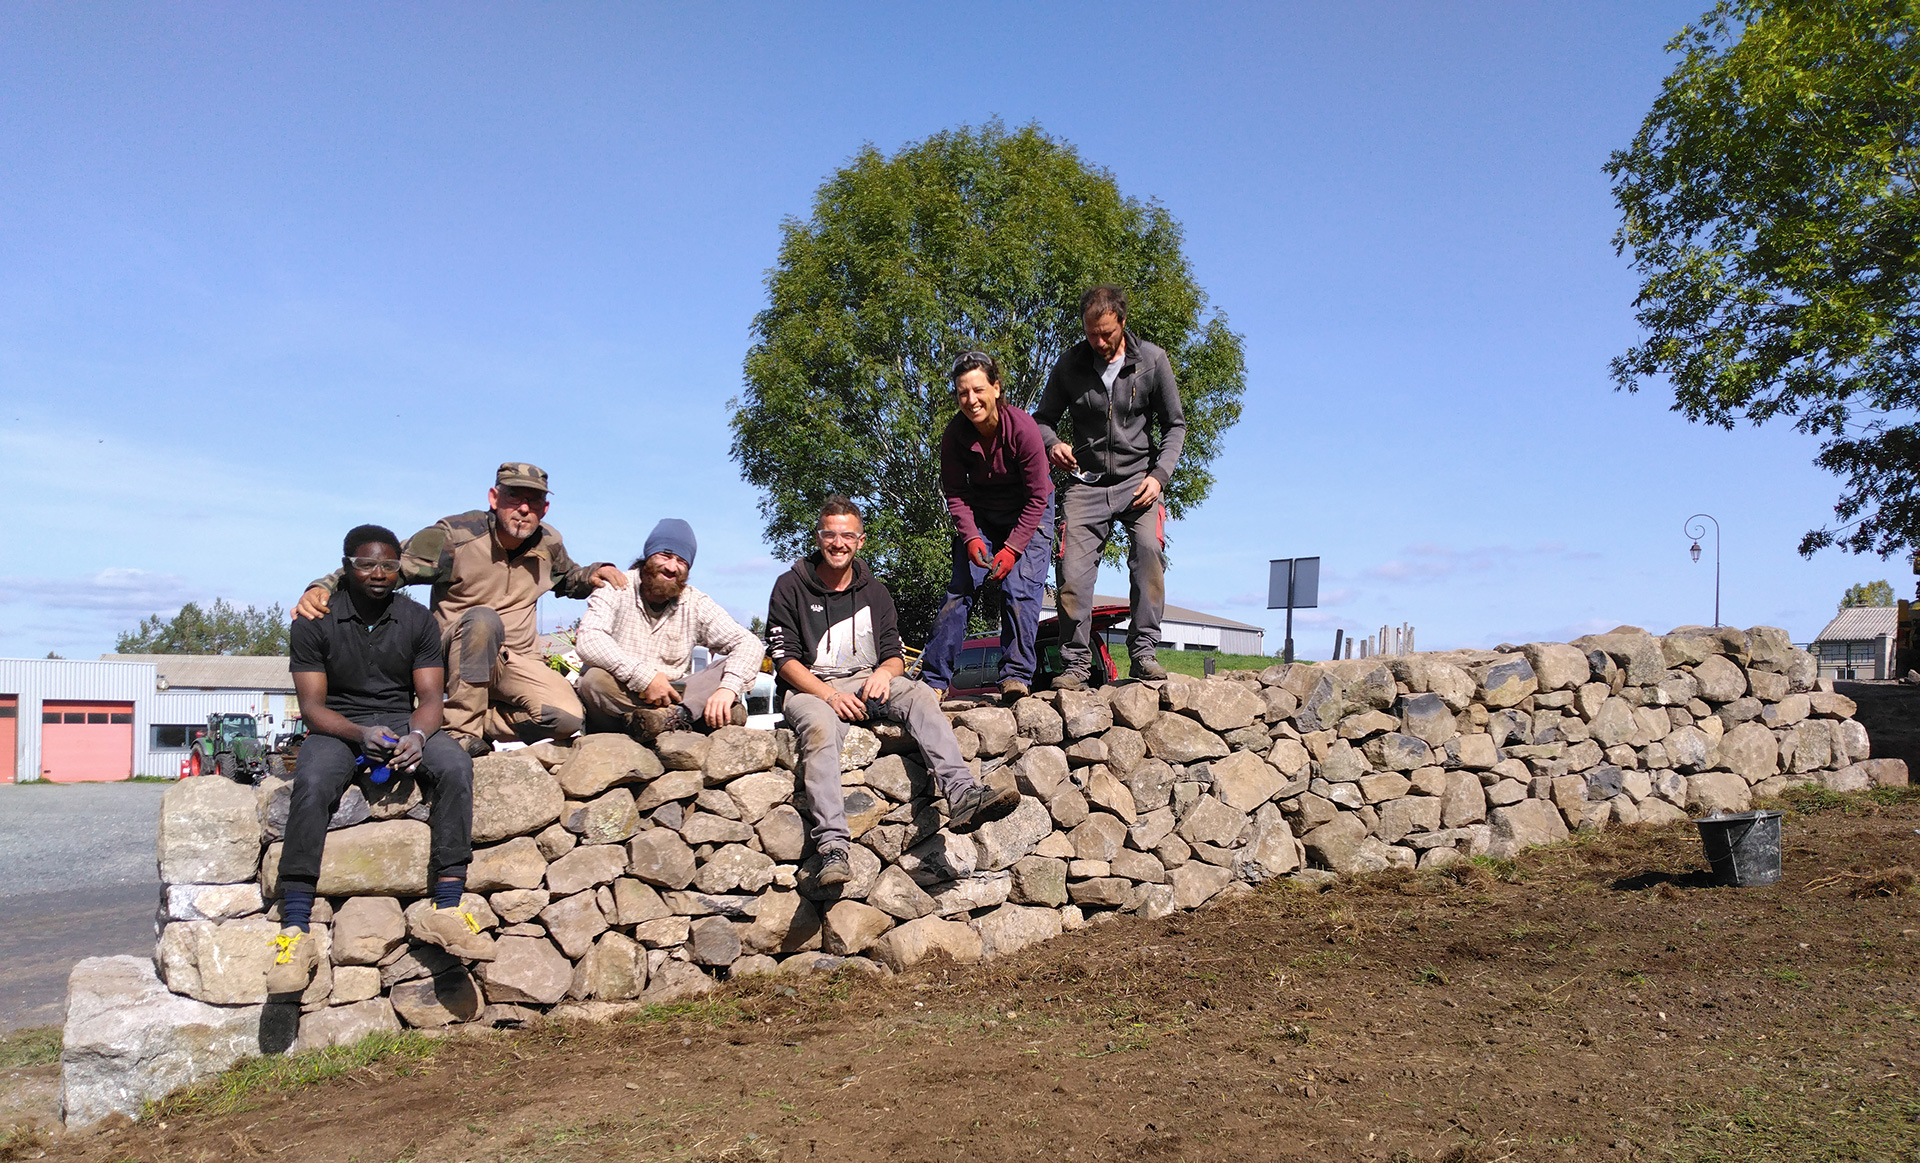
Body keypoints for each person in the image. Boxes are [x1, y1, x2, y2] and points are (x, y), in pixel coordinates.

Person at [269, 525, 487, 995]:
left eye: (389, 565)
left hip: (399, 720)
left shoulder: (416, 619)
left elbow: (430, 697)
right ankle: (294, 928)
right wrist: (360, 734)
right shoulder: (312, 621)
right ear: (346, 566)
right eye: (367, 564)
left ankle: (448, 907)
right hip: (337, 724)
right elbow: (312, 709)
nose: (378, 574)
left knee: (454, 766)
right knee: (313, 781)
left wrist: (417, 733)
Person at [766, 496, 1021, 885]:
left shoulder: (876, 592)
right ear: (818, 538)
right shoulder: (790, 586)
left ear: (861, 541)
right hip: (812, 689)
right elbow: (784, 661)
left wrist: (885, 673)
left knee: (918, 694)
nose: (838, 543)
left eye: (847, 535)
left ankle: (963, 794)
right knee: (819, 729)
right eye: (830, 535)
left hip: (867, 680)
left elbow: (893, 655)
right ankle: (834, 848)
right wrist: (829, 695)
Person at [292, 463, 625, 755]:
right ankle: (460, 735)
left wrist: (593, 573)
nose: (524, 508)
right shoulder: (454, 536)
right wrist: (323, 586)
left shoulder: (548, 543)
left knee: (566, 717)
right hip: (457, 651)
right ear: (494, 498)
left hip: (518, 660)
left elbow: (567, 577)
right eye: (514, 497)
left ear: (546, 507)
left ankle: (478, 719)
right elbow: (385, 565)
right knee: (483, 619)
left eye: (534, 500)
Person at [1032, 285, 1187, 688]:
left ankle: (1143, 653)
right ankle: (1076, 665)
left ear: (1122, 321)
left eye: (1106, 333)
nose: (1099, 342)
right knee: (1071, 575)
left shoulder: (1152, 361)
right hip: (1086, 485)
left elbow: (1175, 426)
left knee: (1149, 554)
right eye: (1091, 333)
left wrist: (1159, 476)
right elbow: (1042, 419)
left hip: (1140, 482)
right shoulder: (1069, 365)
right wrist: (1053, 445)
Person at [920, 350, 1055, 701]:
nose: (971, 399)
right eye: (963, 392)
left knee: (1019, 591)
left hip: (1030, 511)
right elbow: (955, 492)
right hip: (982, 514)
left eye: (978, 390)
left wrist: (1011, 550)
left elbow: (1039, 495)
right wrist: (971, 537)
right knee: (960, 589)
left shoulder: (1023, 429)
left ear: (995, 388)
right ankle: (934, 681)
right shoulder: (954, 435)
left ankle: (1015, 677)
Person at [575, 518, 765, 740]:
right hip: (621, 694)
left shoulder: (694, 602)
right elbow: (589, 639)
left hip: (674, 696)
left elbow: (749, 643)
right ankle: (683, 717)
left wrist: (727, 690)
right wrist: (645, 678)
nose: (671, 567)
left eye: (681, 561)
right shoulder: (616, 586)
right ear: (648, 555)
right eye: (664, 555)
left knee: (726, 668)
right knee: (594, 680)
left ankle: (669, 717)